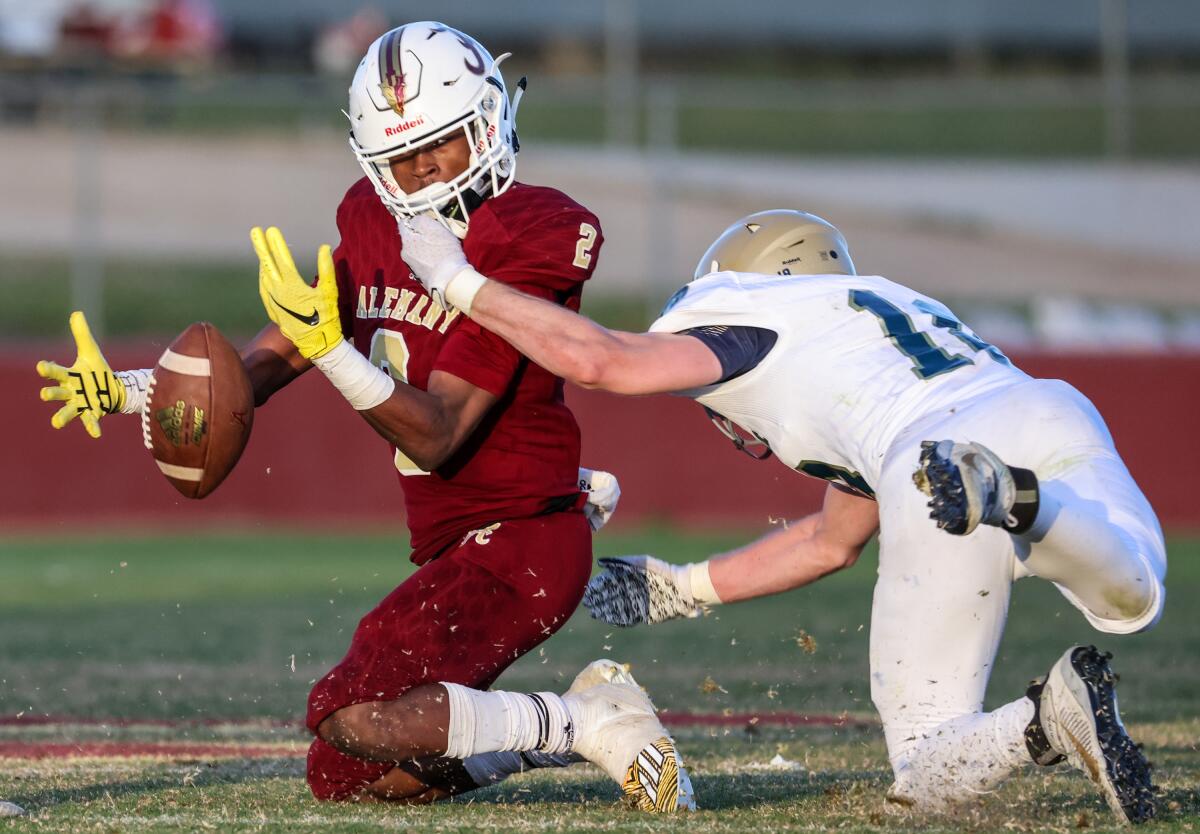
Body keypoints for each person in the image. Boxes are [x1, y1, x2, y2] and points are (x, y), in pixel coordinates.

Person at [35, 22, 694, 812]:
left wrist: (337, 354)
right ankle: (559, 728)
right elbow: (284, 348)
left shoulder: (532, 233)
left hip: (522, 540)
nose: (422, 171)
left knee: (348, 713)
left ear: (488, 121)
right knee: (349, 771)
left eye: (441, 144)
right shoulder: (372, 219)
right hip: (460, 544)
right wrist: (146, 391)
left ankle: (588, 720)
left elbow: (442, 428)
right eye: (400, 157)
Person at [395, 208, 1165, 824]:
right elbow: (834, 540)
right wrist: (681, 587)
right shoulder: (882, 315)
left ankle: (1046, 718)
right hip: (1045, 409)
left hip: (931, 452)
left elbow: (606, 362)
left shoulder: (745, 310)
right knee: (1132, 597)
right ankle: (1020, 501)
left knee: (930, 764)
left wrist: (459, 282)